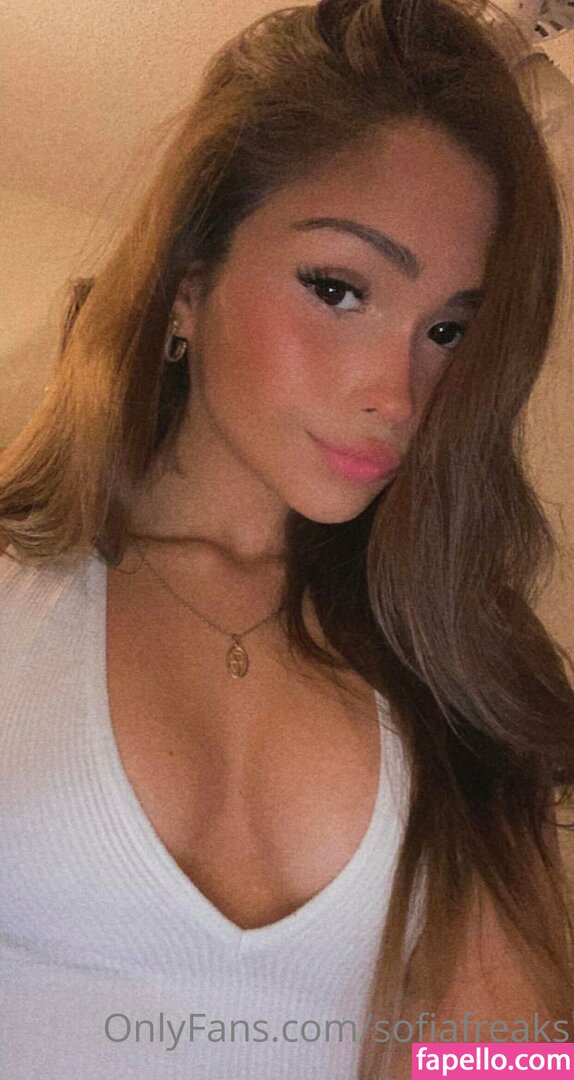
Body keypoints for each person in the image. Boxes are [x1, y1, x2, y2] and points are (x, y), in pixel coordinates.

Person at [1, 0, 573, 1077]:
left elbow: (508, 1058)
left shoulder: (448, 666)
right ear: (188, 282)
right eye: (338, 289)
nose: (398, 392)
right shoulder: (14, 599)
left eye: (447, 328)